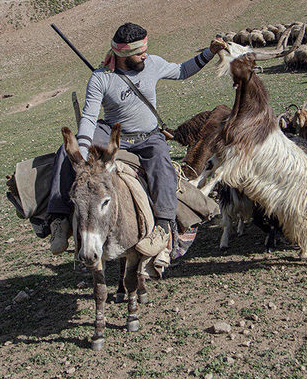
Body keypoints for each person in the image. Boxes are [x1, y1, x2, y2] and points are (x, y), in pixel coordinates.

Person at [43, 23, 224, 272]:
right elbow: (89, 117)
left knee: (163, 169)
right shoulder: (101, 78)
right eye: (139, 53)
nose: (144, 56)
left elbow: (182, 71)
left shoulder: (153, 64)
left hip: (148, 136)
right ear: (122, 55)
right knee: (66, 151)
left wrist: (209, 53)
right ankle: (60, 218)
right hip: (112, 132)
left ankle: (162, 229)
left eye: (145, 50)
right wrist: (82, 153)